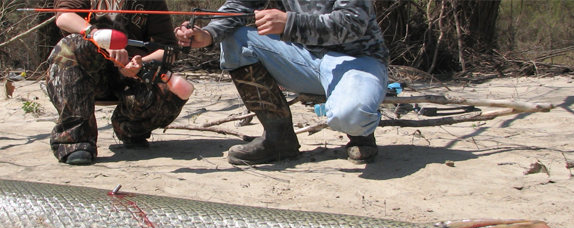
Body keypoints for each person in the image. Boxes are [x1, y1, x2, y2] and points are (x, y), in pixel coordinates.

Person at [175, 0, 389, 165]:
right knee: (235, 38)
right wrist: (209, 34)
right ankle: (278, 138)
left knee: (349, 116)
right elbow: (239, 5)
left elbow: (351, 24)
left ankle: (362, 134)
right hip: (304, 59)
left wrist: (289, 23)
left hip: (357, 61)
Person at [44, 0, 192, 165]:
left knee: (172, 89)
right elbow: (64, 17)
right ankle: (76, 140)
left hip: (133, 76)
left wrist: (140, 63)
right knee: (69, 46)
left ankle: (131, 129)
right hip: (90, 72)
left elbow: (168, 50)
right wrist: (99, 36)